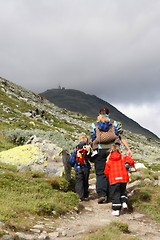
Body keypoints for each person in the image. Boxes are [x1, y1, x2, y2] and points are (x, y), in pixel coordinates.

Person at [91, 106, 132, 204]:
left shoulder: (94, 124)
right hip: (113, 150)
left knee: (100, 173)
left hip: (99, 150)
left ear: (99, 114)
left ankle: (102, 194)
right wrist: (128, 149)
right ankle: (112, 195)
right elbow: (121, 137)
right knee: (112, 172)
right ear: (108, 114)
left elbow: (93, 138)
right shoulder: (115, 123)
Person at [104, 144, 135, 216]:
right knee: (123, 191)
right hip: (123, 178)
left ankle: (116, 210)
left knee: (115, 193)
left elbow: (106, 171)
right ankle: (124, 202)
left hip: (114, 179)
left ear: (110, 151)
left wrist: (109, 177)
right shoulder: (122, 158)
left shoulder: (109, 161)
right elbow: (130, 161)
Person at [68, 135, 92, 201]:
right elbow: (90, 158)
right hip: (86, 168)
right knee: (85, 181)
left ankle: (79, 196)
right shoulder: (87, 148)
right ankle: (85, 194)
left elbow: (71, 160)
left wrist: (72, 165)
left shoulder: (76, 149)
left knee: (79, 182)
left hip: (78, 168)